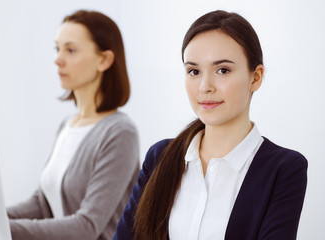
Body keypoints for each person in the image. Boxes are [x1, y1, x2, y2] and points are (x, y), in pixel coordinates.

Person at [113, 10, 307, 240]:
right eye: (194, 71)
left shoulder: (284, 169)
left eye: (222, 70)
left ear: (256, 77)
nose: (205, 86)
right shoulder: (160, 157)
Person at [7, 10, 139, 240]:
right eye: (57, 49)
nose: (58, 59)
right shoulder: (67, 126)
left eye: (71, 50)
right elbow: (42, 202)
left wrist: (2, 228)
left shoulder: (120, 133)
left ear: (104, 60)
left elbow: (87, 226)